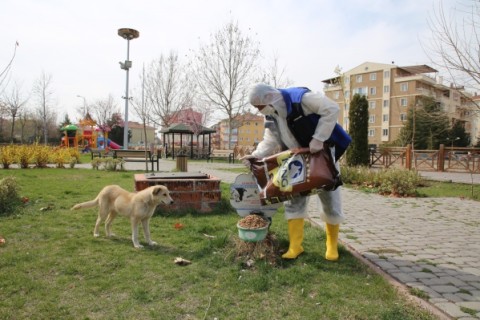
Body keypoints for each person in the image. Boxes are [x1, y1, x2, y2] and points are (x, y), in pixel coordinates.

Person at [241, 83, 348, 261]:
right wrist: (255, 155)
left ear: (268, 97)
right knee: (293, 199)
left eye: (259, 107)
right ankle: (295, 246)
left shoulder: (302, 99)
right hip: (296, 160)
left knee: (330, 199)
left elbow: (331, 108)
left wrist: (319, 138)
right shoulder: (272, 114)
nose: (260, 111)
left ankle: (332, 246)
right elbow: (270, 138)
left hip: (322, 156)